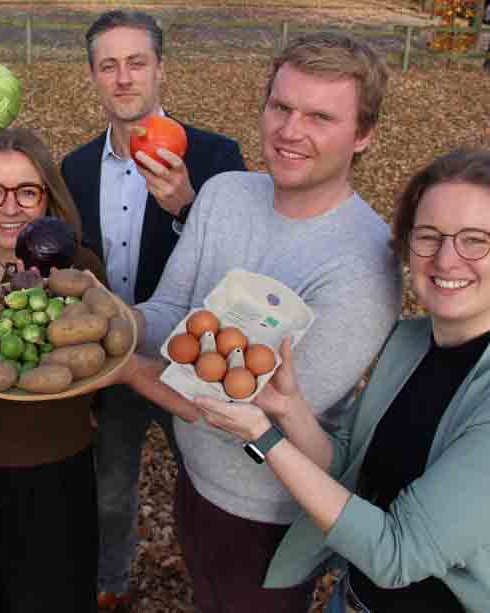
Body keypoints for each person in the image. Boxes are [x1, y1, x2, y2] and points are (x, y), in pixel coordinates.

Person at [198, 148, 490, 612]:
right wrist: (288, 409)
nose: (446, 259)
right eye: (429, 236)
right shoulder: (410, 342)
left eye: (475, 240)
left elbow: (397, 554)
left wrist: (263, 437)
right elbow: (349, 467)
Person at [131, 32, 402, 612]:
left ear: (364, 135)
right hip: (194, 478)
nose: (290, 131)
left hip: (266, 516)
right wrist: (109, 319)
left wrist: (120, 368)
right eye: (281, 107)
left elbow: (250, 410)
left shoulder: (366, 265)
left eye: (320, 117)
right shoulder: (225, 195)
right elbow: (171, 312)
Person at [59, 9, 246, 608]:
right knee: (111, 487)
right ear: (93, 76)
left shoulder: (215, 158)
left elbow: (241, 267)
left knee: (210, 484)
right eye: (108, 66)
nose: (123, 78)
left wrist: (188, 206)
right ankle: (110, 584)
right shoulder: (75, 168)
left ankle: (215, 589)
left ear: (161, 68)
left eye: (136, 63)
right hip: (111, 361)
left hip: (191, 362)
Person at [0, 127, 105, 612]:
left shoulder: (80, 269)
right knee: (4, 592)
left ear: (48, 197)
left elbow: (103, 365)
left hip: (59, 470)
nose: (10, 208)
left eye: (27, 191)